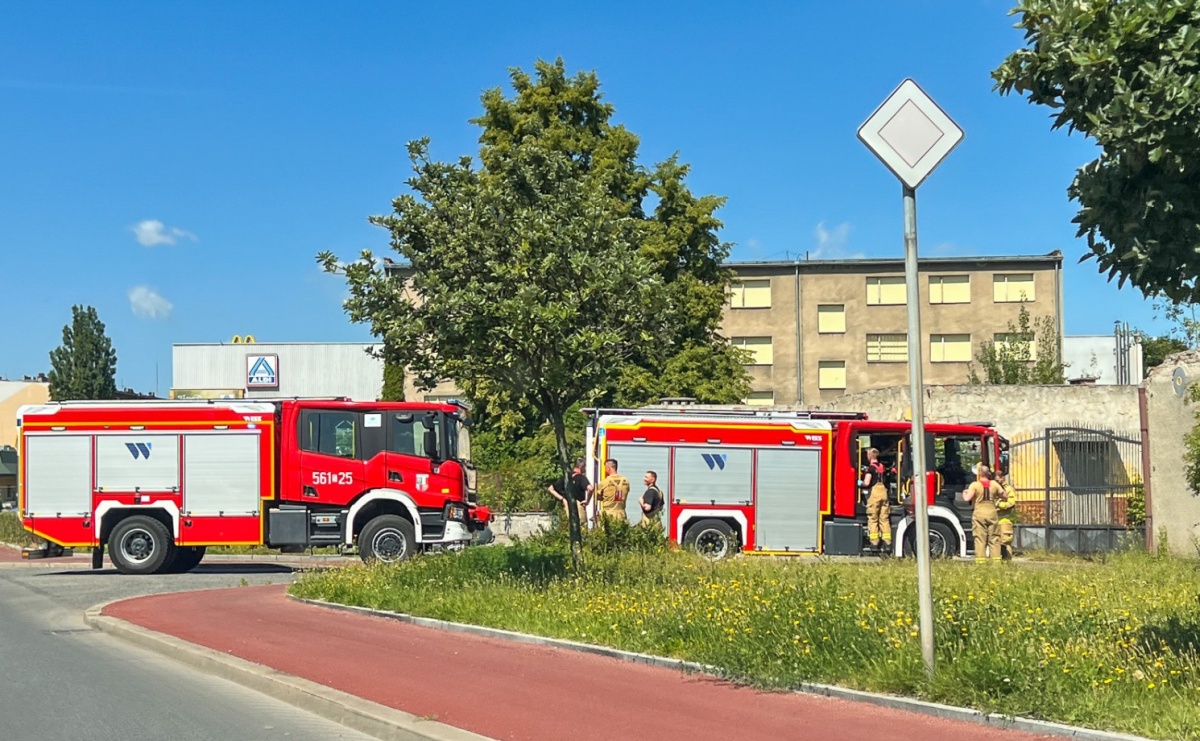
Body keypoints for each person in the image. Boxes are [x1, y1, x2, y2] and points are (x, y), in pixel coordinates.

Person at [964, 464, 1007, 562]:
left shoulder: (974, 485)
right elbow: (1005, 496)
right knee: (994, 538)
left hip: (979, 514)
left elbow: (967, 498)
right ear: (988, 473)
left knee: (980, 539)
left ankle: (981, 562)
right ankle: (996, 562)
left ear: (979, 473)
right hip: (992, 513)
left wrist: (965, 492)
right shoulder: (994, 484)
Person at [547, 457, 592, 526]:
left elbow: (550, 489)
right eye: (584, 467)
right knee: (582, 526)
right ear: (581, 467)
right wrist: (587, 500)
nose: (585, 469)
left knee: (569, 526)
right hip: (578, 505)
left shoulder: (566, 478)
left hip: (567, 505)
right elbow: (590, 488)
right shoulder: (581, 478)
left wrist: (562, 499)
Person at [862, 447, 891, 553]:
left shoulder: (870, 468)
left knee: (873, 519)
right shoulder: (882, 467)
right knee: (884, 519)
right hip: (884, 493)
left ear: (869, 456)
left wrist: (859, 483)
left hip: (874, 495)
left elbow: (866, 483)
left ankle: (874, 543)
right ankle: (887, 542)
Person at [595, 458, 630, 522]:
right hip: (621, 514)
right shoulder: (626, 481)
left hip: (608, 514)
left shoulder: (605, 482)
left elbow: (596, 496)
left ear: (608, 468)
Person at [995, 470, 1018, 560]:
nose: (997, 482)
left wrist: (999, 505)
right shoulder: (996, 488)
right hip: (996, 520)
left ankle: (1007, 562)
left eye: (998, 480)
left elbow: (1011, 503)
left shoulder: (1008, 489)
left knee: (1006, 542)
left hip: (1005, 520)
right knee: (996, 542)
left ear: (1002, 478)